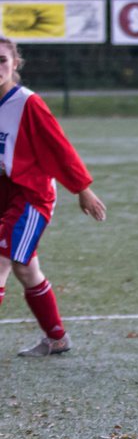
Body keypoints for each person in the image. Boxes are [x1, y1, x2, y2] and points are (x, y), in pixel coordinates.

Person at [0, 37, 106, 356]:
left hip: (31, 197)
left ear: (15, 64)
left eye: (1, 60)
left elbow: (59, 148)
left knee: (2, 260)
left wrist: (82, 189)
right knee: (26, 269)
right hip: (3, 192)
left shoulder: (27, 103)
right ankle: (57, 338)